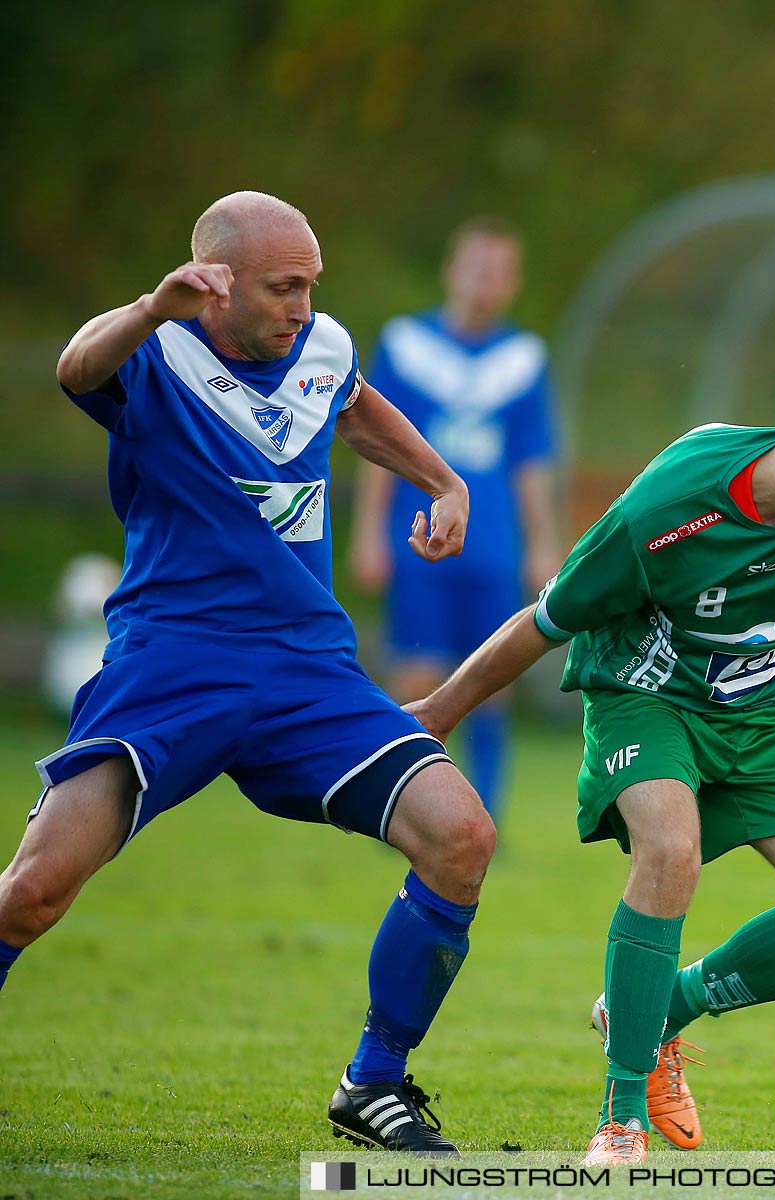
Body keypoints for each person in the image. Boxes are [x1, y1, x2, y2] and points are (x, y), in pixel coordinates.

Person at [0, 192, 495, 1154]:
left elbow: (353, 405)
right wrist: (151, 307)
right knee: (33, 890)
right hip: (174, 661)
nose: (302, 305)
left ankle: (374, 1082)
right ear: (217, 284)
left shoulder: (320, 345)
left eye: (311, 283)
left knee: (462, 836)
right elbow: (76, 365)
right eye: (283, 287)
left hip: (310, 667)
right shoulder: (157, 352)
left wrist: (443, 480)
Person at [405, 333, 775, 1164]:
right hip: (649, 698)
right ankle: (620, 1120)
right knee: (670, 849)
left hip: (766, 716)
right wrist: (440, 707)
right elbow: (546, 623)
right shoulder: (668, 512)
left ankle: (657, 1011)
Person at [350, 217, 561, 824]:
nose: (483, 281)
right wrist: (368, 534)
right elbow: (376, 446)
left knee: (493, 681)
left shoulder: (523, 358)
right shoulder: (405, 344)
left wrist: (542, 543)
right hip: (420, 538)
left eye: (497, 271)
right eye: (475, 266)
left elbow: (532, 459)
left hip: (493, 544)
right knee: (416, 672)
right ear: (452, 269)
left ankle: (481, 816)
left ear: (513, 282)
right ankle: (395, 806)